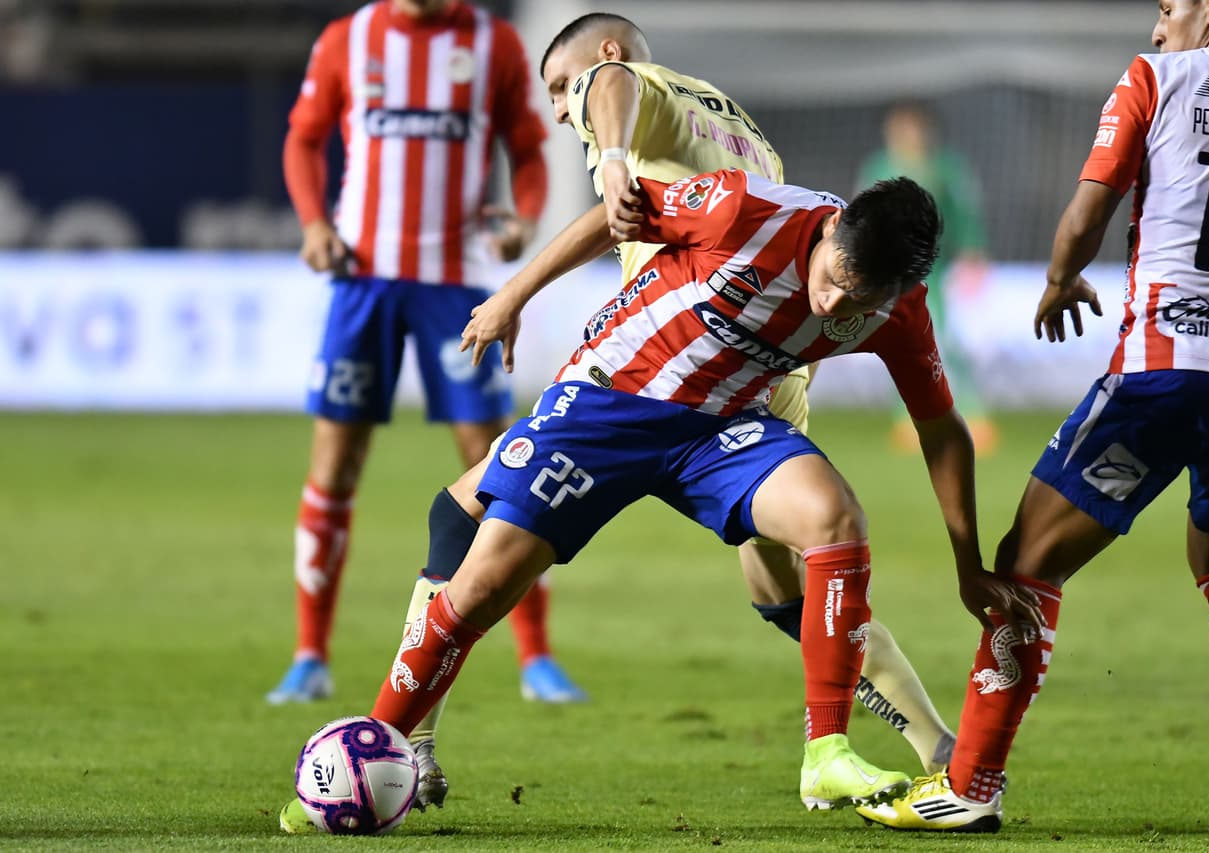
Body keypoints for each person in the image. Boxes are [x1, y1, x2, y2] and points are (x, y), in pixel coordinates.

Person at [376, 11, 959, 815]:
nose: (558, 109)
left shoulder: (635, 92)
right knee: (787, 588)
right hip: (736, 369)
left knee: (461, 522)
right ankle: (935, 744)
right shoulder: (738, 126)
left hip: (696, 369)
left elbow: (609, 90)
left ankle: (405, 744)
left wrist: (608, 159)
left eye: (559, 87)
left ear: (605, 56)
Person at [857, 0, 1209, 833]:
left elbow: (1092, 203)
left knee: (1023, 565)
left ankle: (970, 783)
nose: (1159, 27)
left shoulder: (1154, 76)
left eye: (1169, 7)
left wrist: (1059, 276)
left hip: (1167, 367)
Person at [266, 0, 587, 708]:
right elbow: (303, 140)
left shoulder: (493, 44)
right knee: (335, 463)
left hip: (455, 285)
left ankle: (537, 657)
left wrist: (525, 218)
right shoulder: (348, 39)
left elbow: (530, 148)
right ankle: (309, 655)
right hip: (362, 279)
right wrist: (315, 223)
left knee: (500, 464)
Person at [856, 101, 998, 456]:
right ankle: (907, 419)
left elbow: (964, 213)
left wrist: (972, 250)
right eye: (899, 129)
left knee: (944, 339)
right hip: (888, 269)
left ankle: (971, 413)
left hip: (932, 268)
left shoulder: (947, 167)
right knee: (895, 341)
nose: (906, 136)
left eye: (913, 129)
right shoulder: (879, 166)